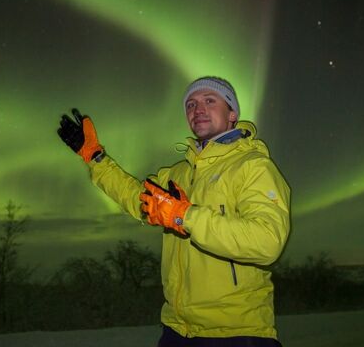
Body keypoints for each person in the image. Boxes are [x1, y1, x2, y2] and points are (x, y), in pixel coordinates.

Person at [57, 76, 290, 347]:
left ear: (232, 114)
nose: (198, 109)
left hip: (236, 333)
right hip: (177, 331)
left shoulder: (253, 167)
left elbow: (266, 241)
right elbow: (136, 198)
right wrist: (96, 157)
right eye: (191, 104)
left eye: (209, 101)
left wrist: (183, 215)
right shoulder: (178, 173)